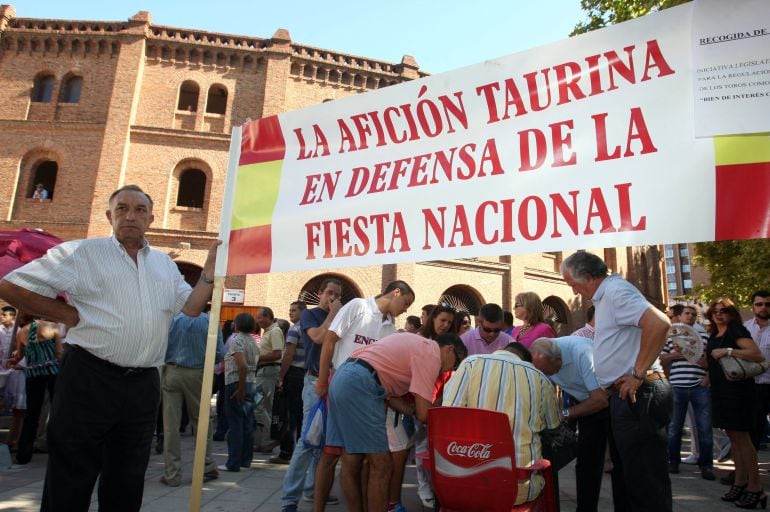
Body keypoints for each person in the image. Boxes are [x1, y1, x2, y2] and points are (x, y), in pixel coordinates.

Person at [0, 184, 219, 511]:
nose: (131, 216)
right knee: (71, 477)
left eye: (140, 210)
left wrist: (210, 275)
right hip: (89, 377)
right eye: (122, 209)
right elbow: (11, 286)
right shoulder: (81, 253)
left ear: (151, 218)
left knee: (127, 480)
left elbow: (189, 307)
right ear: (109, 216)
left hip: (143, 383)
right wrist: (64, 313)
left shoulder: (163, 263)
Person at [560, 251, 673, 512]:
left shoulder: (615, 292)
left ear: (588, 276)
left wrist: (637, 374)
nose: (574, 291)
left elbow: (659, 323)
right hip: (626, 395)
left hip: (638, 394)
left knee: (645, 483)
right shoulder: (606, 296)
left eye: (573, 284)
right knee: (631, 478)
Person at [326, 332, 465, 512]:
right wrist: (454, 418)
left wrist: (413, 410)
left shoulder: (418, 344)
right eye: (455, 363)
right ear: (449, 349)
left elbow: (396, 399)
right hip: (361, 382)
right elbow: (424, 414)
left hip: (344, 376)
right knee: (382, 466)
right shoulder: (431, 354)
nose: (450, 370)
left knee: (351, 460)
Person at [314, 280, 415, 512]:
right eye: (406, 302)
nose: (406, 309)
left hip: (368, 395)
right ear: (396, 292)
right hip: (340, 384)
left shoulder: (390, 328)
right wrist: (322, 381)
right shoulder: (358, 306)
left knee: (359, 459)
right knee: (331, 454)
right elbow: (329, 340)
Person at [443, 341, 560, 505]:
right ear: (526, 361)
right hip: (519, 488)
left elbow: (447, 414)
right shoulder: (539, 379)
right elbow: (552, 424)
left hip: (462, 484)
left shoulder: (470, 364)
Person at [281, 278, 343, 512]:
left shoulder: (342, 314)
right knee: (308, 439)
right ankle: (289, 498)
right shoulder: (310, 315)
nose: (332, 298)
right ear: (320, 293)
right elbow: (317, 337)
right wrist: (333, 315)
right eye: (329, 293)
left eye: (337, 295)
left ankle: (314, 489)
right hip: (314, 381)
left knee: (325, 441)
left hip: (334, 382)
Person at [530, 336, 609, 512]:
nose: (549, 376)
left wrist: (563, 414)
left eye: (550, 371)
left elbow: (600, 400)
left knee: (620, 461)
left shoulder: (582, 353)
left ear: (559, 360)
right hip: (583, 400)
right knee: (586, 462)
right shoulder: (545, 359)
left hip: (609, 400)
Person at [706, 298, 766, 508]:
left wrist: (729, 351)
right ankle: (740, 482)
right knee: (734, 438)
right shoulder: (714, 334)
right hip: (721, 391)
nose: (718, 314)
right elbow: (710, 361)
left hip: (738, 391)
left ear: (731, 313)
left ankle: (756, 487)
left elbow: (756, 354)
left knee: (743, 439)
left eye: (723, 310)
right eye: (715, 311)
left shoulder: (736, 331)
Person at [159, 310, 224, 486]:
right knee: (202, 422)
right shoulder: (210, 321)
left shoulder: (172, 319)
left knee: (171, 425)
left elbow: (161, 345)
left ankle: (172, 474)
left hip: (172, 370)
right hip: (197, 373)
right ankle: (206, 465)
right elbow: (219, 352)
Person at [659, 308, 714, 480]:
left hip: (699, 387)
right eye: (687, 313)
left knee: (704, 427)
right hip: (677, 386)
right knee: (675, 427)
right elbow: (662, 359)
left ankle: (706, 465)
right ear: (680, 317)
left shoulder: (704, 337)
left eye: (693, 314)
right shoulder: (671, 338)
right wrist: (677, 354)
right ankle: (673, 461)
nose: (690, 316)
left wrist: (693, 355)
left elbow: (709, 363)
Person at [14, 317, 61, 465]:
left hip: (33, 374)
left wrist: (13, 361)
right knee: (58, 411)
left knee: (32, 415)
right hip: (53, 373)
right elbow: (59, 353)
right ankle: (59, 452)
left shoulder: (22, 331)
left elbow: (19, 355)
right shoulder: (53, 327)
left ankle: (23, 455)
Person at [219, 313, 260, 472]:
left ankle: (233, 462)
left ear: (237, 324)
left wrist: (240, 388)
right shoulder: (253, 341)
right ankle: (245, 460)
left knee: (235, 423)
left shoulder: (236, 341)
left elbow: (241, 365)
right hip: (251, 382)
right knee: (247, 423)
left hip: (237, 383)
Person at [272, 301, 308, 464]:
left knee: (289, 415)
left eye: (294, 310)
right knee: (302, 415)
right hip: (308, 375)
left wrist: (280, 377)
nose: (290, 313)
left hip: (294, 374)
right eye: (289, 310)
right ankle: (302, 452)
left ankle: (286, 452)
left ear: (303, 311)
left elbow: (288, 355)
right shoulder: (312, 328)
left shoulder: (295, 328)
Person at [254, 306, 285, 453]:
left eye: (260, 317)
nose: (257, 320)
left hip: (268, 370)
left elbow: (277, 354)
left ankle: (272, 437)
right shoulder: (268, 332)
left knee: (259, 405)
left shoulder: (275, 331)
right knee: (264, 406)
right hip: (264, 370)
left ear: (268, 317)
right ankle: (266, 440)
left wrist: (257, 358)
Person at [748, 291, 770, 450]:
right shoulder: (744, 328)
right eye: (759, 304)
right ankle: (747, 471)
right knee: (752, 430)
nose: (763, 307)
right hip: (752, 386)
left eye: (767, 304)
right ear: (753, 307)